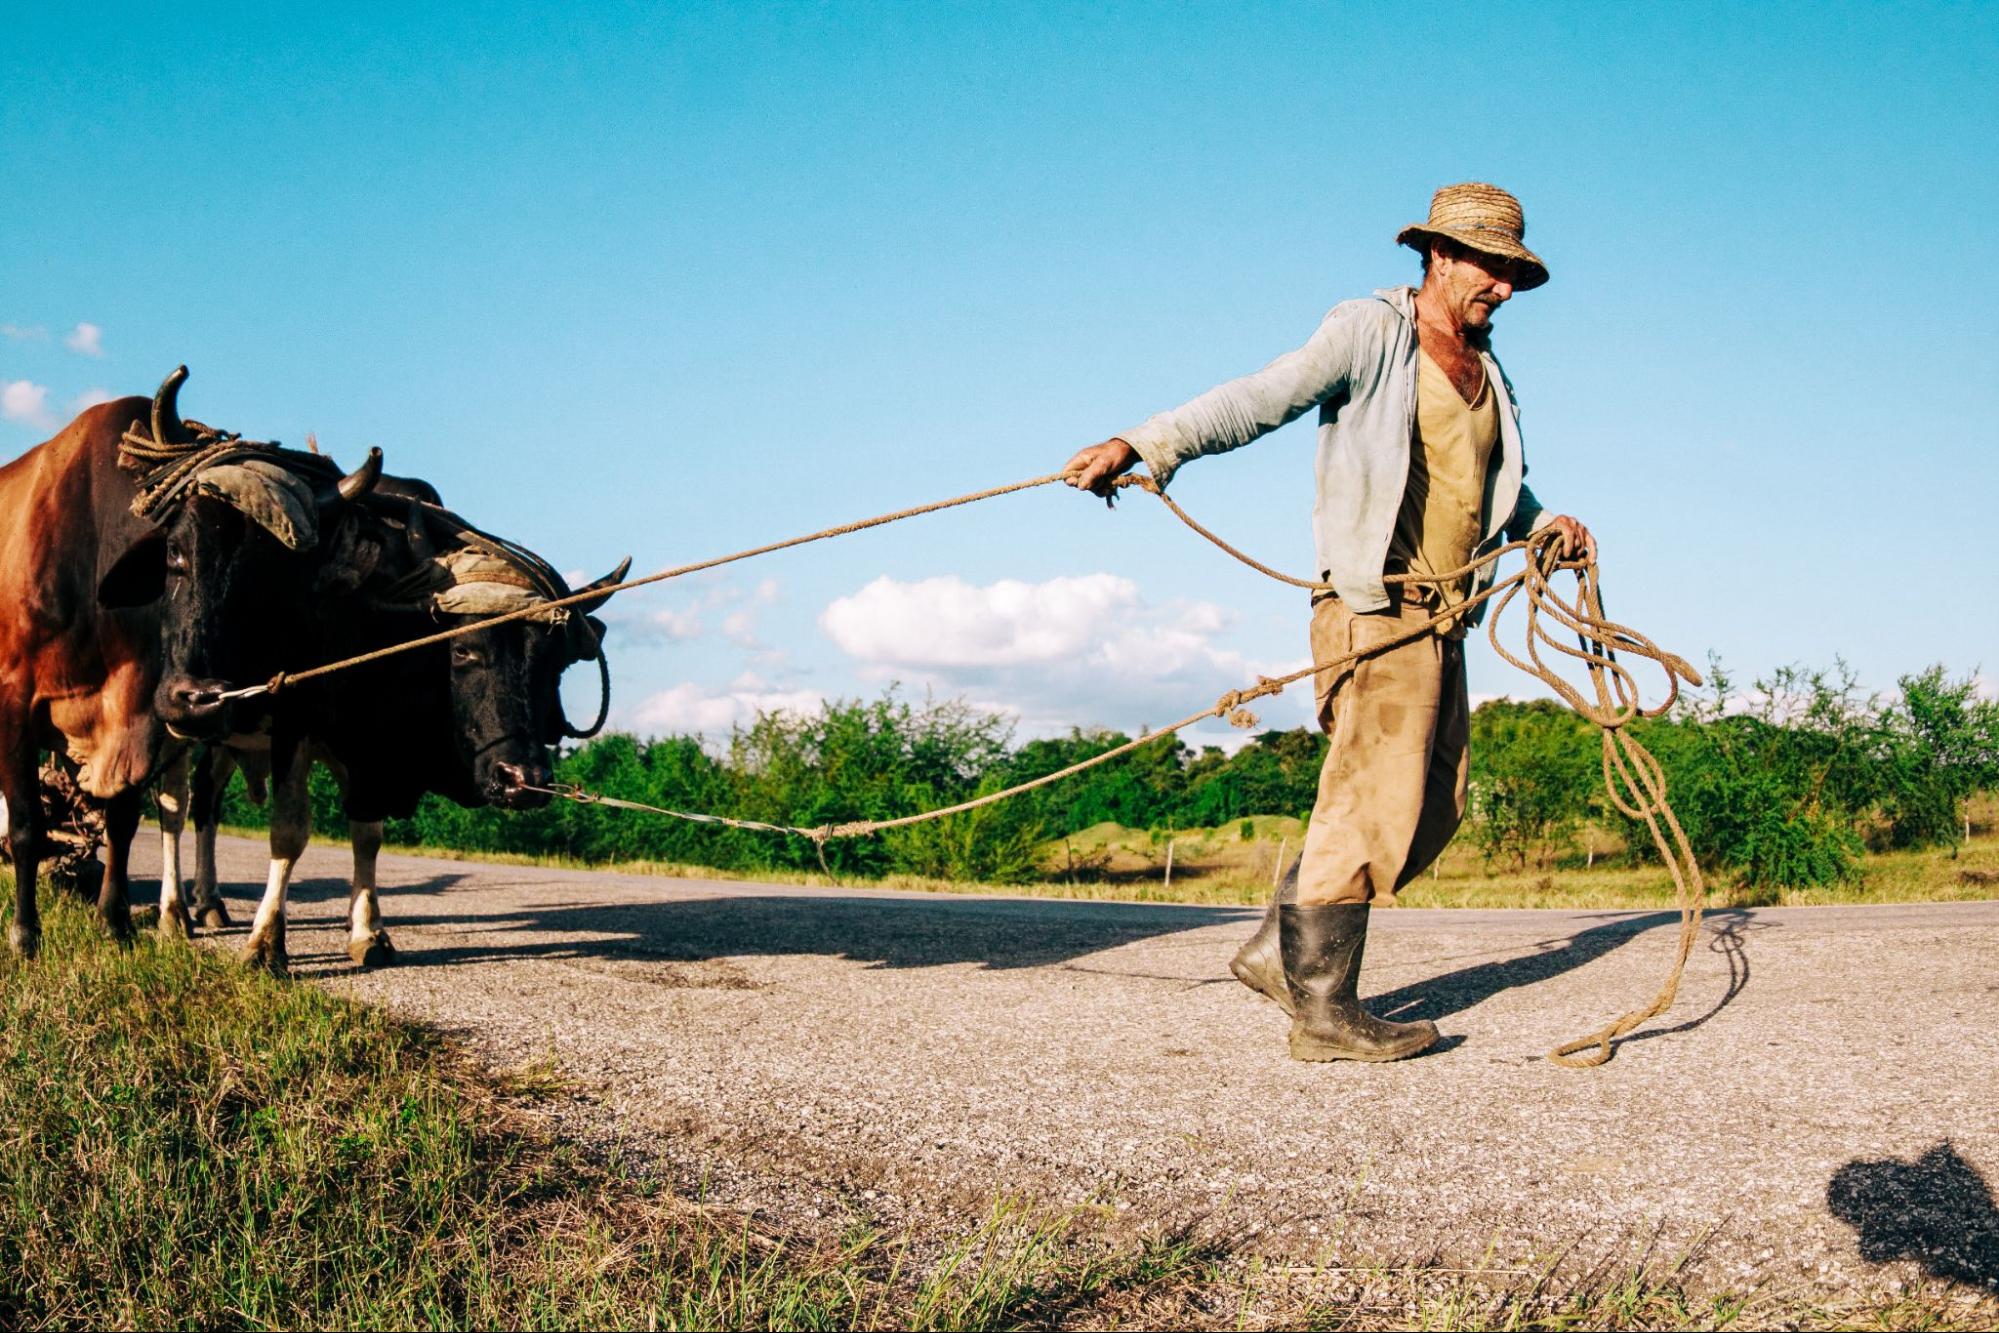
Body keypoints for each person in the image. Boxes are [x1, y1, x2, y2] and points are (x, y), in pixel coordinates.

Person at [1063, 183, 1594, 1064]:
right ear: (1438, 255)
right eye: (1489, 267)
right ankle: (1323, 1008)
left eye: (1512, 273)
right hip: (1373, 603)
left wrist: (1541, 526)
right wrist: (1142, 444)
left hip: (1446, 614)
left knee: (1432, 805)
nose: (1501, 287)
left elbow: (1491, 480)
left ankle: (1279, 949)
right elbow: (1258, 396)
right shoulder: (1371, 331)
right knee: (1369, 801)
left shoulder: (1486, 370)